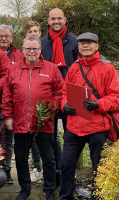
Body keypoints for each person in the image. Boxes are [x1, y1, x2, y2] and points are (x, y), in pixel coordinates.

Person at [59, 32, 119, 200]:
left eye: (89, 43)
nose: (85, 46)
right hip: (74, 126)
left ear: (97, 46)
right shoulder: (74, 67)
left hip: (97, 126)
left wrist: (99, 104)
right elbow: (64, 92)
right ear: (78, 47)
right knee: (66, 165)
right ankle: (66, 196)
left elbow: (116, 97)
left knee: (99, 166)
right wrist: (64, 105)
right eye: (82, 43)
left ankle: (99, 195)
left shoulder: (107, 67)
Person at [2, 36, 64, 200]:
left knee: (48, 159)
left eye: (35, 48)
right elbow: (7, 95)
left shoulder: (51, 69)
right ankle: (25, 189)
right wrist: (8, 116)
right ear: (22, 49)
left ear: (40, 49)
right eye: (28, 48)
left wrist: (52, 110)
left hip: (44, 123)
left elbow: (60, 93)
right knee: (21, 158)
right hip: (21, 123)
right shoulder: (14, 70)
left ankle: (49, 191)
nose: (31, 52)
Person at [41, 8, 79, 185]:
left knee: (70, 137)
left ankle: (68, 173)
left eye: (59, 18)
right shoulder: (42, 43)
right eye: (53, 19)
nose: (56, 21)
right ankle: (54, 173)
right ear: (48, 21)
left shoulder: (76, 42)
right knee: (50, 138)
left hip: (71, 97)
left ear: (65, 19)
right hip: (49, 97)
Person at [0, 24, 23, 184]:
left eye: (7, 36)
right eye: (0, 36)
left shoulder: (19, 56)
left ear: (12, 38)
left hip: (12, 104)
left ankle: (6, 170)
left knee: (8, 140)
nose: (4, 39)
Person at [23, 20, 43, 183]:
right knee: (30, 141)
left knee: (51, 141)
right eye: (30, 31)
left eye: (35, 31)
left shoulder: (46, 49)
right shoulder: (22, 54)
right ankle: (36, 167)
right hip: (25, 109)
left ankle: (53, 169)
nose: (33, 33)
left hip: (44, 107)